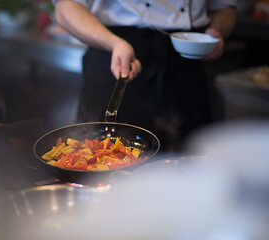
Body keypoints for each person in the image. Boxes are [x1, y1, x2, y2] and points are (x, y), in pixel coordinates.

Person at [53, 0, 238, 151]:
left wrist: (218, 30)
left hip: (187, 61)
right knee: (104, 157)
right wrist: (114, 43)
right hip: (116, 52)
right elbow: (65, 7)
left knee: (189, 160)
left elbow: (225, 7)